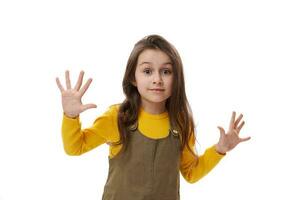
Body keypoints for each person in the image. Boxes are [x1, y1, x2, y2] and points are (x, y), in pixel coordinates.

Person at [55, 34, 251, 200]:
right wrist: (70, 116)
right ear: (133, 77)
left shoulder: (181, 122)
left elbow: (191, 172)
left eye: (166, 71)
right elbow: (75, 148)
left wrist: (219, 150)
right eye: (147, 71)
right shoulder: (118, 118)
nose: (157, 79)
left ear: (177, 78)